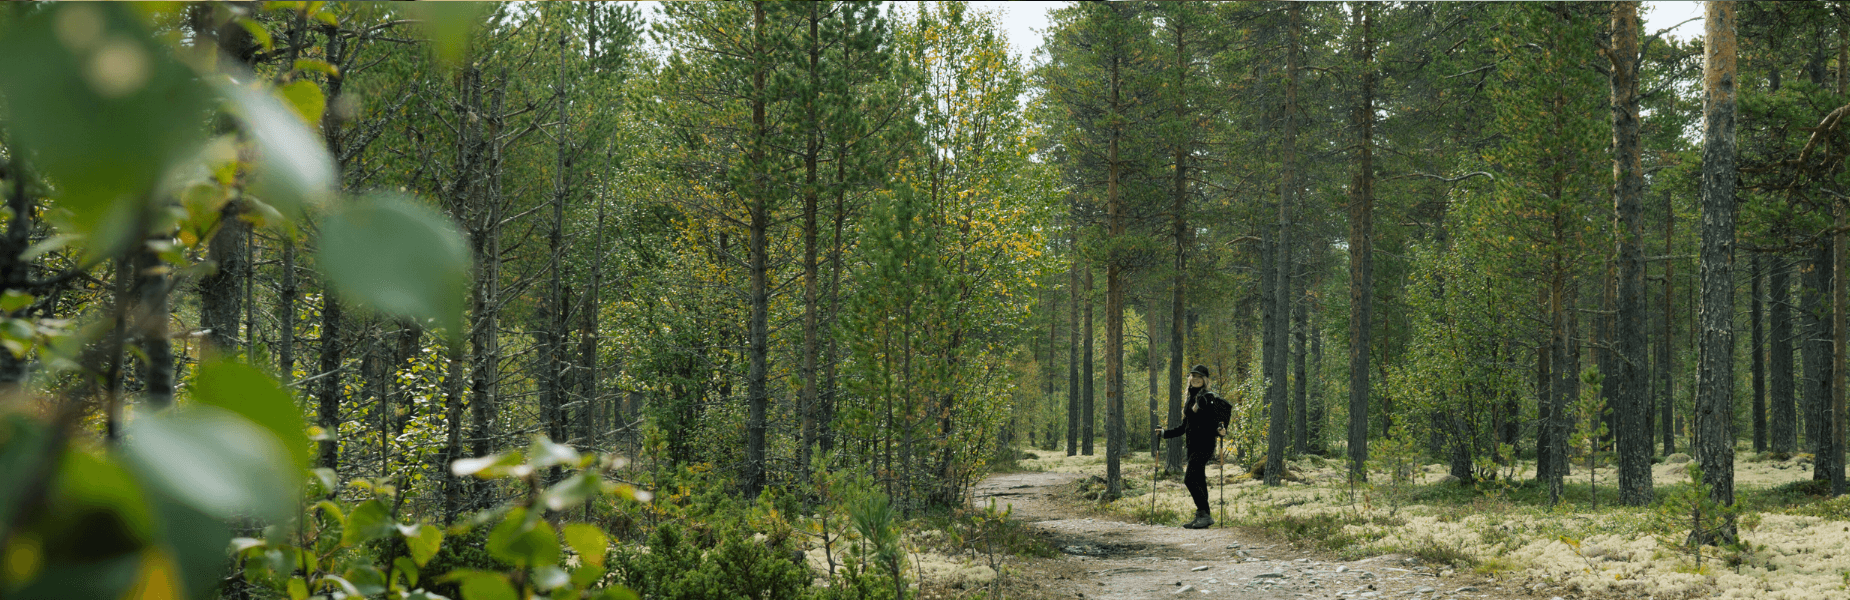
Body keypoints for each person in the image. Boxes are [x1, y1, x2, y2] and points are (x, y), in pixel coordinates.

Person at [1155, 364, 1232, 529]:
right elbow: (1184, 427)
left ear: (1204, 380)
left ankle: (1204, 514)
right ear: (1190, 379)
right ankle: (1203, 515)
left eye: (1199, 377)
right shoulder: (1190, 398)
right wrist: (1164, 434)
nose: (1195, 379)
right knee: (1198, 479)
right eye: (1193, 376)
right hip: (1192, 445)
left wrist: (1220, 429)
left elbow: (1216, 420)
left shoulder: (1208, 398)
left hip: (1204, 444)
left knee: (1189, 479)